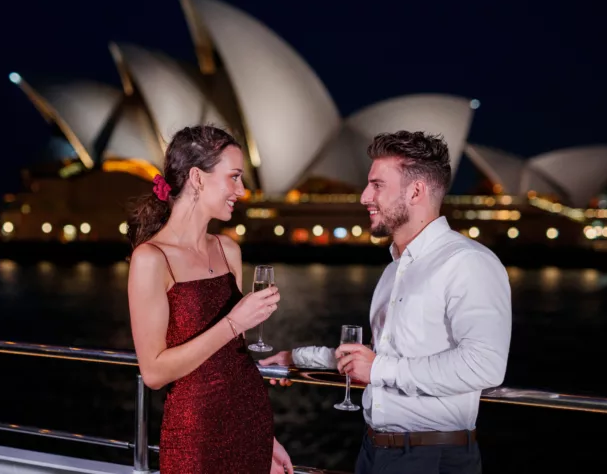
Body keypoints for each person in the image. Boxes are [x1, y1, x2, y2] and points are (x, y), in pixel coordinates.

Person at [261, 131, 512, 474]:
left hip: (432, 456)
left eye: (377, 185)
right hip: (376, 451)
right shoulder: (396, 267)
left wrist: (378, 369)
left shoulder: (468, 262)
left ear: (416, 191)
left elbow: (484, 365)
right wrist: (296, 358)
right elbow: (377, 357)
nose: (365, 196)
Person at [126, 125, 293, 474]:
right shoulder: (151, 258)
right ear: (197, 178)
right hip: (195, 435)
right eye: (233, 177)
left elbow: (236, 356)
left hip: (251, 419)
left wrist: (268, 440)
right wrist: (234, 322)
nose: (242, 191)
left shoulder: (228, 249)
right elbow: (154, 372)